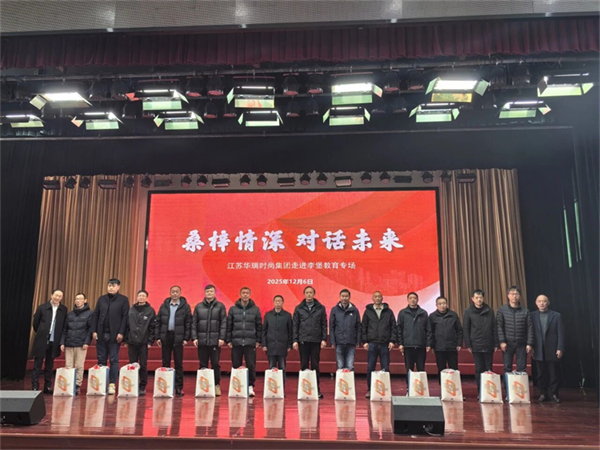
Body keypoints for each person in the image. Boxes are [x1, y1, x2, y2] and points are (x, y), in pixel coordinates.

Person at [91, 278, 129, 395]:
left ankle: (112, 384)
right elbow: (96, 315)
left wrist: (121, 332)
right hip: (101, 334)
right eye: (109, 286)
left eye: (113, 286)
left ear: (118, 287)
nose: (111, 288)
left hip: (114, 335)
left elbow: (125, 317)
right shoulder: (101, 299)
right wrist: (94, 330)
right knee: (101, 359)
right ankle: (101, 383)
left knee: (113, 360)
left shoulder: (123, 300)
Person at [226, 287, 262, 397]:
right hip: (236, 342)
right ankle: (237, 387)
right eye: (243, 293)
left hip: (250, 342)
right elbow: (229, 326)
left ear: (250, 295)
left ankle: (250, 386)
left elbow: (259, 326)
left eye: (247, 293)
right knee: (236, 365)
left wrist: (258, 340)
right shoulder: (233, 309)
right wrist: (228, 339)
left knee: (251, 365)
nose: (245, 295)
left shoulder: (255, 309)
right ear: (240, 295)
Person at [192, 284, 227, 396]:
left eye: (211, 291)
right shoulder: (198, 307)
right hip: (202, 340)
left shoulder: (220, 306)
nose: (209, 293)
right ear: (205, 293)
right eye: (207, 291)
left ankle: (216, 385)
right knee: (202, 364)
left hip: (215, 341)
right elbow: (194, 323)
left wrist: (222, 337)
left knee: (215, 364)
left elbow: (223, 323)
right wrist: (194, 337)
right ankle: (203, 387)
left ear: (215, 293)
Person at [156, 285, 192, 396]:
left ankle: (179, 387)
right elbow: (158, 321)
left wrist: (186, 338)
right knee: (165, 363)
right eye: (173, 291)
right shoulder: (164, 306)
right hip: (166, 336)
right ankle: (166, 386)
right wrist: (158, 337)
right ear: (170, 293)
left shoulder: (185, 307)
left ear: (180, 293)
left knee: (178, 363)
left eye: (177, 292)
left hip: (178, 338)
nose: (175, 293)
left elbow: (188, 323)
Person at [293, 285, 327, 399]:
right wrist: (295, 340)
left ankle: (316, 389)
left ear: (314, 294)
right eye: (307, 292)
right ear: (304, 294)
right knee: (303, 365)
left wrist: (323, 339)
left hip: (316, 340)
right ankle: (304, 389)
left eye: (311, 292)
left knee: (315, 365)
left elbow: (324, 324)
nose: (309, 294)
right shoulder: (299, 308)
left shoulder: (320, 308)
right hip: (303, 340)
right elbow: (295, 325)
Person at [31, 289, 68, 393]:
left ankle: (47, 387)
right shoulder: (42, 307)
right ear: (51, 295)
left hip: (54, 341)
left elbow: (63, 325)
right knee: (37, 364)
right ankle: (34, 386)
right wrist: (42, 332)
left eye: (60, 296)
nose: (57, 298)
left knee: (49, 365)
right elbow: (36, 323)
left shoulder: (63, 309)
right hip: (42, 340)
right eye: (56, 295)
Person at [361, 291, 396, 398]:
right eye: (375, 297)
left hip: (385, 344)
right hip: (372, 344)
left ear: (382, 298)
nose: (377, 298)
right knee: (370, 368)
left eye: (379, 297)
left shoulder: (388, 312)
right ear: (372, 298)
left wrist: (392, 341)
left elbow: (393, 327)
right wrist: (365, 341)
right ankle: (370, 389)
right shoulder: (368, 311)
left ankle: (386, 389)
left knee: (385, 368)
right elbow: (364, 327)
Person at [463, 289, 498, 394]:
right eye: (477, 298)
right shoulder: (468, 312)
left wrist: (496, 343)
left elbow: (494, 328)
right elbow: (466, 329)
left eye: (481, 297)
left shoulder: (489, 311)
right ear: (472, 299)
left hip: (488, 344)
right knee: (479, 368)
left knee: (489, 368)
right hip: (476, 344)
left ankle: (489, 392)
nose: (479, 300)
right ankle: (481, 391)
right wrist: (468, 344)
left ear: (483, 298)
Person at [531, 294, 564, 403]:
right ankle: (543, 394)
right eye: (539, 301)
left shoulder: (556, 315)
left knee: (553, 373)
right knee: (541, 374)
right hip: (538, 349)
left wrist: (560, 348)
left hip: (552, 349)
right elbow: (530, 333)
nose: (542, 303)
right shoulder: (532, 316)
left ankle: (554, 394)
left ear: (548, 302)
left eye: (544, 301)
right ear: (536, 303)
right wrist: (531, 346)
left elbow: (561, 333)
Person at [124, 289, 156, 396]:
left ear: (146, 298)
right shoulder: (131, 310)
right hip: (132, 341)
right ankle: (132, 384)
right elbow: (127, 325)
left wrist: (150, 341)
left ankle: (142, 386)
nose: (141, 297)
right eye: (139, 296)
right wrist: (126, 339)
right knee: (132, 364)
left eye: (143, 296)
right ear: (137, 297)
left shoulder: (150, 311)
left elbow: (152, 327)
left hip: (143, 342)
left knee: (143, 364)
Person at [397, 292, 432, 388]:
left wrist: (428, 344)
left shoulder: (423, 313)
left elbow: (428, 330)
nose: (413, 300)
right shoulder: (402, 313)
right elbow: (399, 329)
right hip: (408, 345)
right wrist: (400, 343)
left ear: (418, 300)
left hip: (421, 345)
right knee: (409, 369)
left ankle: (421, 389)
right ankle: (409, 388)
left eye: (414, 298)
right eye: (410, 298)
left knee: (421, 368)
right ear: (407, 300)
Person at [60, 293, 93, 395]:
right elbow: (65, 329)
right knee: (68, 365)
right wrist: (62, 342)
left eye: (80, 299)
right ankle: (68, 383)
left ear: (85, 300)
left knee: (79, 365)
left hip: (81, 344)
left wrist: (87, 342)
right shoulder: (70, 314)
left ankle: (77, 385)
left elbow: (90, 330)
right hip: (69, 343)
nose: (78, 301)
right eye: (77, 299)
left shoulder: (90, 314)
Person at [497, 286, 534, 375]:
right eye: (512, 294)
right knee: (507, 368)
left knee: (522, 368)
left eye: (516, 294)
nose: (514, 296)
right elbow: (499, 326)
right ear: (508, 295)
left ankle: (521, 384)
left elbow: (530, 327)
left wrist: (529, 343)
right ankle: (507, 384)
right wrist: (502, 341)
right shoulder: (502, 310)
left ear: (519, 296)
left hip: (522, 344)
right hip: (507, 344)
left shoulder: (525, 311)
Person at [428, 296, 463, 382]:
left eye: (444, 303)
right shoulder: (432, 316)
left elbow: (459, 330)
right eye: (440, 304)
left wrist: (459, 343)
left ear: (447, 304)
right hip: (439, 347)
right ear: (436, 305)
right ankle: (443, 387)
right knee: (441, 368)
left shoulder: (453, 315)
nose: (442, 305)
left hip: (452, 346)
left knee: (454, 368)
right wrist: (432, 345)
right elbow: (430, 332)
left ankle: (455, 386)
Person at [262, 295, 293, 386]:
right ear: (273, 302)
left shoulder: (287, 315)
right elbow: (264, 331)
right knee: (271, 367)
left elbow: (290, 331)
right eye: (276, 301)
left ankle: (281, 388)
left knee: (282, 367)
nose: (278, 303)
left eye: (279, 301)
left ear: (283, 303)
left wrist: (289, 345)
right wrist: (264, 344)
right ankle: (272, 388)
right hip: (270, 346)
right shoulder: (268, 315)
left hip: (282, 346)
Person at [329, 289, 361, 371]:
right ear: (340, 297)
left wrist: (358, 341)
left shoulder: (355, 310)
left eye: (346, 296)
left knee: (350, 366)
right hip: (339, 342)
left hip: (351, 341)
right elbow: (331, 327)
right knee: (340, 366)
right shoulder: (334, 310)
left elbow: (358, 326)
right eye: (342, 296)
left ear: (349, 297)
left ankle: (349, 379)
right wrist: (332, 341)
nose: (344, 298)